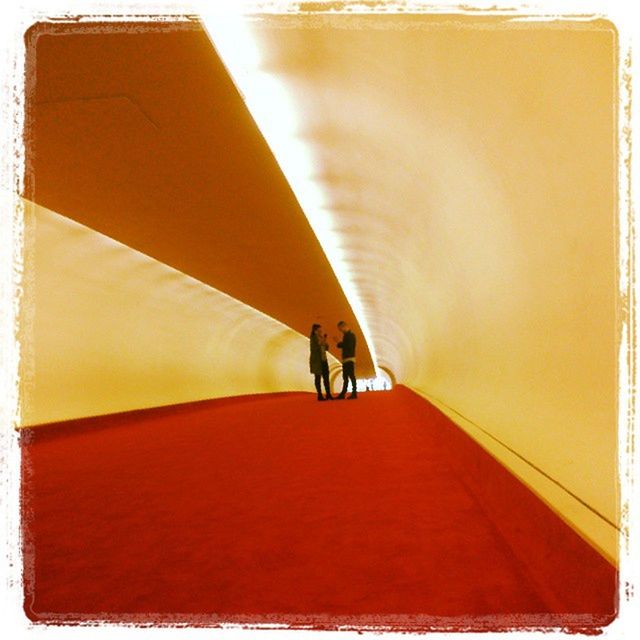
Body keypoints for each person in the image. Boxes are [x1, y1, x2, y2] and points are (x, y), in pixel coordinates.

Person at [309, 324, 333, 401]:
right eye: (319, 331)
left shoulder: (321, 338)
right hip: (317, 361)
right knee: (318, 377)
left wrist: (324, 341)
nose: (321, 332)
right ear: (315, 331)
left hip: (323, 360)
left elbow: (326, 348)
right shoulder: (313, 338)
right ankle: (319, 395)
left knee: (326, 377)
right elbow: (317, 347)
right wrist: (323, 340)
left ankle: (328, 394)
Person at [334, 320, 357, 399]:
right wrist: (340, 344)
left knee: (350, 376)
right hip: (348, 358)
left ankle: (352, 393)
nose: (340, 331)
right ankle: (345, 393)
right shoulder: (348, 335)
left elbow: (348, 346)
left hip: (349, 358)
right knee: (346, 376)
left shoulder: (349, 335)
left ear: (344, 326)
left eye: (340, 329)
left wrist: (339, 343)